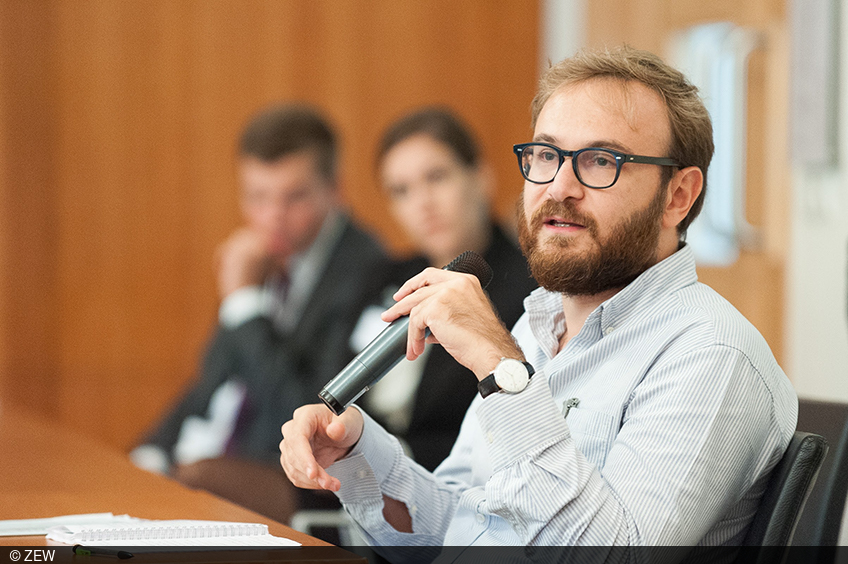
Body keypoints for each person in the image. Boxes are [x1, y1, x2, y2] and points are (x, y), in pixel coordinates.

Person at [278, 46, 798, 552]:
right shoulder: (537, 327)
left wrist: (499, 366)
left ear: (677, 196)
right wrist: (356, 451)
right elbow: (459, 527)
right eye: (546, 155)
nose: (558, 187)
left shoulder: (709, 354)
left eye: (600, 160)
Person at [131, 104, 387, 522]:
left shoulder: (367, 270)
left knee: (190, 483)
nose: (273, 217)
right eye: (258, 197)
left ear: (335, 189)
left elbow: (313, 410)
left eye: (295, 197)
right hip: (224, 457)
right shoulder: (262, 258)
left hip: (307, 479)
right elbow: (212, 382)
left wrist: (246, 306)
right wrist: (150, 452)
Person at [350, 107, 536, 472]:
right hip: (356, 470)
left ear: (481, 178)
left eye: (436, 177)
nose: (423, 204)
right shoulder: (381, 276)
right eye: (401, 191)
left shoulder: (527, 285)